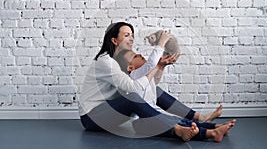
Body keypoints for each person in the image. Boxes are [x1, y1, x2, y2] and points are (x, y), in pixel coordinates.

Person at [78, 22, 230, 142]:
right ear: (114, 40)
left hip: (111, 112)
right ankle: (182, 129)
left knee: (154, 92)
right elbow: (135, 90)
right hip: (93, 117)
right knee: (133, 98)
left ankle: (206, 124)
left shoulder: (122, 60)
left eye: (132, 35)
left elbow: (149, 88)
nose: (131, 38)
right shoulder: (106, 62)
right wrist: (159, 49)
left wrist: (161, 67)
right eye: (126, 35)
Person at [114, 48, 236, 142]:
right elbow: (151, 64)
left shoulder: (144, 78)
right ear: (130, 67)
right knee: (174, 124)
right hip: (140, 124)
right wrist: (161, 43)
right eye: (136, 56)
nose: (140, 55)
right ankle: (211, 133)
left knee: (177, 120)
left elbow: (155, 80)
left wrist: (161, 65)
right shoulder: (134, 76)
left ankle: (214, 126)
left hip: (149, 120)